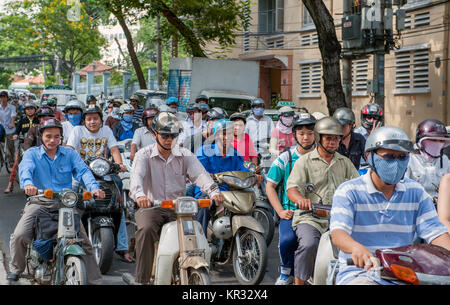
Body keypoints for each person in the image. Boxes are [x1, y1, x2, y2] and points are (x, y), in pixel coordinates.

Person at [330, 126, 450, 285]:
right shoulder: (348, 191)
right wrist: (355, 248)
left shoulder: (416, 192)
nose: (396, 163)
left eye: (402, 157)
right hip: (360, 273)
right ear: (369, 157)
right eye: (389, 156)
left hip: (405, 274)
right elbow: (338, 234)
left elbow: (436, 233)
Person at [128, 112, 224, 284]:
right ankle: (141, 279)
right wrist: (140, 195)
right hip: (151, 206)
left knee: (193, 231)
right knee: (146, 229)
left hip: (178, 208)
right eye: (165, 135)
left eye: (173, 135)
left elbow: (200, 175)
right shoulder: (143, 155)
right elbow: (136, 179)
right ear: (154, 133)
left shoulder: (185, 154)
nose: (169, 139)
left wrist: (213, 191)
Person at [8, 118, 106, 283]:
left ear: (61, 137)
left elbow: (83, 172)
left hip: (65, 204)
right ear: (41, 136)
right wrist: (28, 184)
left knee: (84, 242)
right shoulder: (32, 154)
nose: (52, 140)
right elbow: (25, 170)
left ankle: (95, 279)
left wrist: (94, 188)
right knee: (19, 235)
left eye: (56, 136)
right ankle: (16, 269)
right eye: (48, 136)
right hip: (39, 202)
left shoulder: (69, 154)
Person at [286, 116, 359, 285]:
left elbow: (357, 186)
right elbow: (292, 188)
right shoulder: (304, 162)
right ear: (319, 137)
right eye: (328, 138)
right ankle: (300, 282)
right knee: (309, 244)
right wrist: (301, 200)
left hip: (339, 218)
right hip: (310, 217)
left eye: (336, 138)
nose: (332, 142)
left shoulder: (345, 162)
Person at [266, 113, 317, 285]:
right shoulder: (286, 158)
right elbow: (270, 186)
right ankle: (285, 271)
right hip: (292, 212)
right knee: (287, 240)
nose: (306, 137)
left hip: (319, 212)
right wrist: (280, 211)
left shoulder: (322, 156)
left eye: (310, 133)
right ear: (294, 134)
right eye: (301, 133)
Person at [194, 119, 254, 235]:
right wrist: (209, 177)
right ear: (216, 135)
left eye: (230, 133)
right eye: (224, 133)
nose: (227, 137)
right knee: (204, 204)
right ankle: (200, 237)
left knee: (248, 202)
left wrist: (252, 175)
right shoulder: (204, 151)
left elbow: (243, 170)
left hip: (230, 193)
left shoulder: (235, 154)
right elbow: (200, 173)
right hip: (208, 192)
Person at [405, 118, 450, 202]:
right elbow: (404, 189)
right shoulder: (408, 159)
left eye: (441, 140)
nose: (438, 143)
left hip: (441, 209)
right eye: (433, 140)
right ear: (421, 142)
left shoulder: (445, 160)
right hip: (416, 208)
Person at [4, 101, 40, 194]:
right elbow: (16, 131)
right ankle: (10, 184)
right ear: (25, 111)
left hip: (37, 145)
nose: (30, 111)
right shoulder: (22, 121)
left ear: (35, 110)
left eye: (31, 109)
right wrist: (15, 135)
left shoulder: (39, 120)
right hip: (24, 146)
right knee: (16, 164)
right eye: (28, 109)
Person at [0, 90, 17, 167]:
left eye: (4, 97)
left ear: (7, 98)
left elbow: (13, 115)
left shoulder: (12, 107)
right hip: (1, 129)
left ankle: (11, 161)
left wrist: (12, 123)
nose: (2, 99)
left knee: (10, 146)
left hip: (10, 129)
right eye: (1, 97)